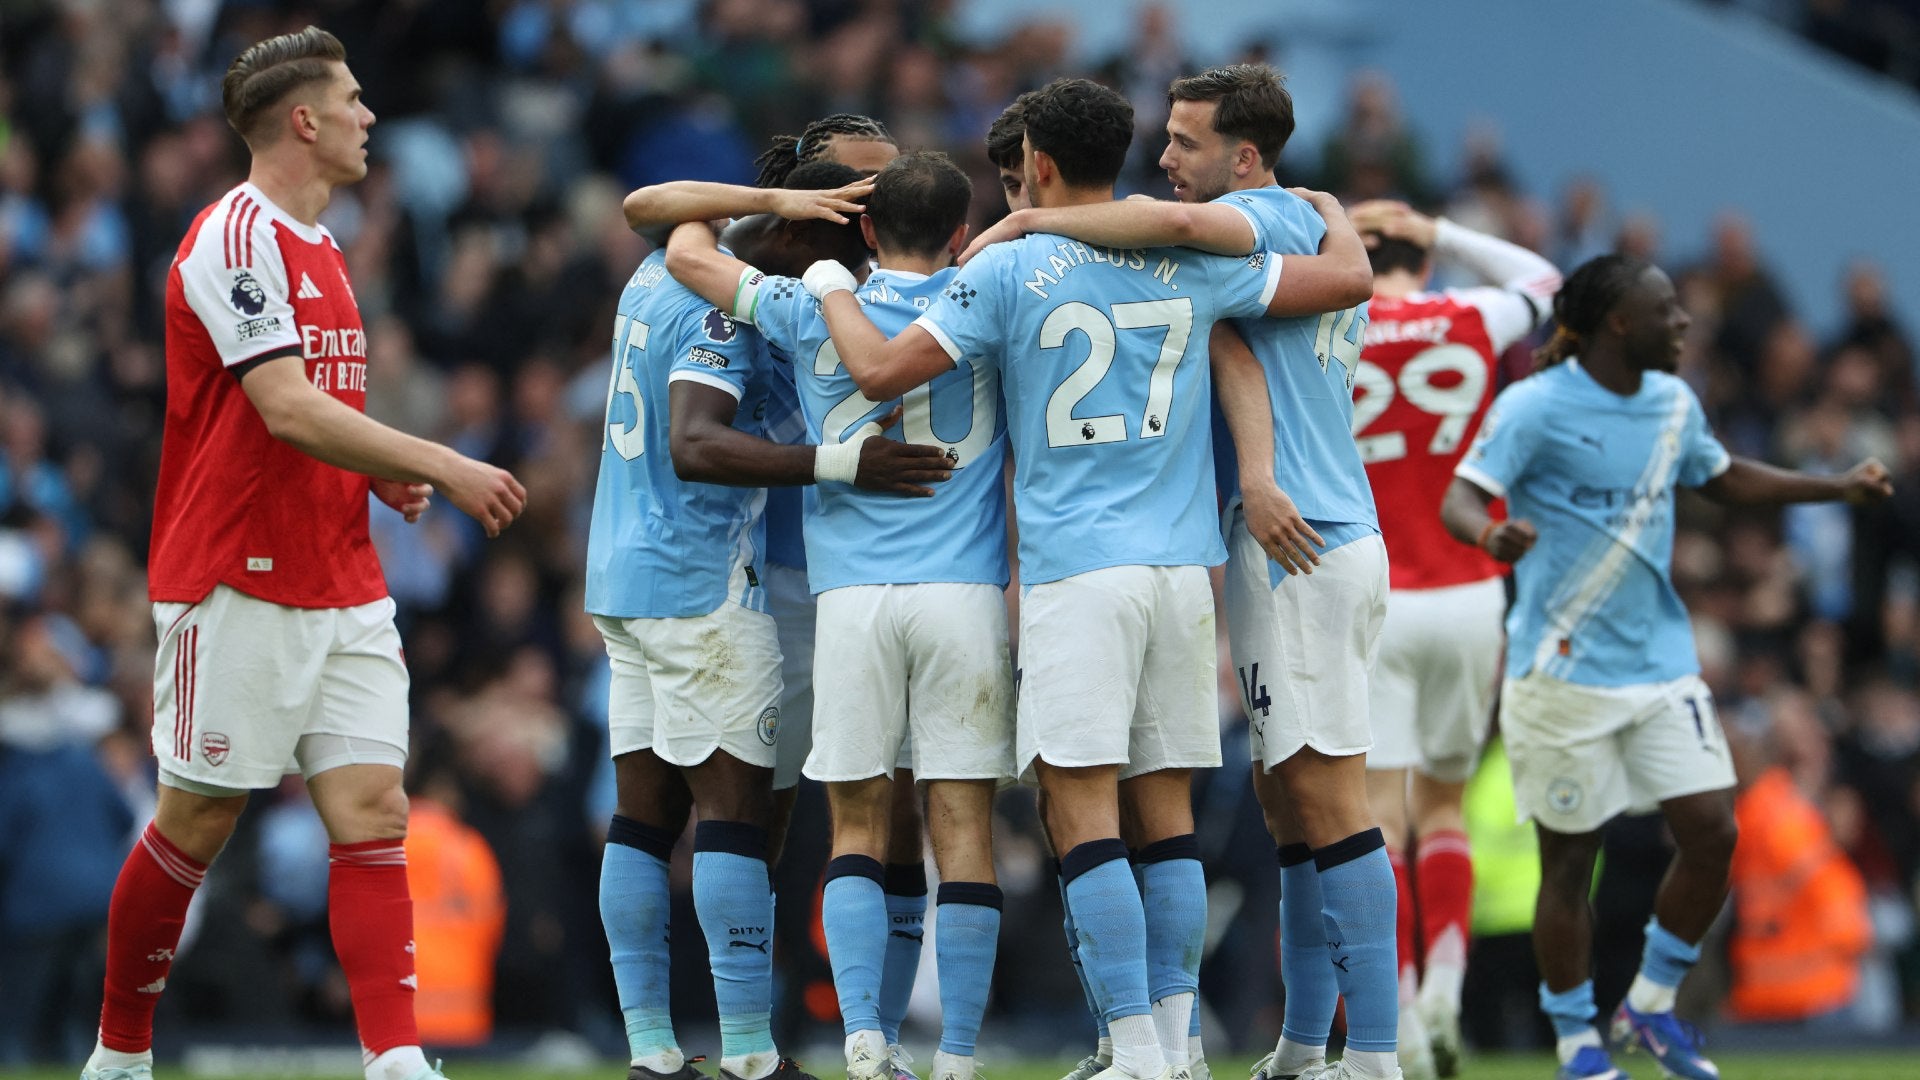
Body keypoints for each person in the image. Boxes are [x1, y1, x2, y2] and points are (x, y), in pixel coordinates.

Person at [801, 76, 1368, 1080]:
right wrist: (1327, 223)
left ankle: (1136, 1048)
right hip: (1181, 575)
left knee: (1078, 810)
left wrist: (829, 281)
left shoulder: (1007, 268)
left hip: (1076, 575)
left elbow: (882, 373)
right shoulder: (1193, 254)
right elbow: (1323, 293)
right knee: (1168, 814)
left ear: (1040, 166)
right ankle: (1181, 1047)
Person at [82, 26, 528, 1080]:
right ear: (304, 119)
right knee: (197, 820)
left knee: (373, 809)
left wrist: (372, 473)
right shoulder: (233, 238)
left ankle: (396, 1060)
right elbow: (283, 406)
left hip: (343, 577)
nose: (370, 116)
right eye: (353, 99)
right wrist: (438, 459)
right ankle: (119, 1056)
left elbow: (314, 408)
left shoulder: (325, 245)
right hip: (238, 576)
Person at [960, 64, 1398, 1080]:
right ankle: (1300, 1045)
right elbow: (1253, 339)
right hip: (1292, 532)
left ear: (1244, 158)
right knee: (1290, 802)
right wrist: (1340, 216)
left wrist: (1031, 225)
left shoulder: (1241, 225)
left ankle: (1373, 1052)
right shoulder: (1302, 219)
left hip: (1297, 534)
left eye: (1185, 142)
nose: (1165, 160)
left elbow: (1187, 232)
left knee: (1330, 798)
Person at [1439, 253, 1893, 1080]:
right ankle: (1577, 1043)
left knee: (1714, 832)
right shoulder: (1534, 406)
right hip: (1561, 674)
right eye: (1668, 309)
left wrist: (1833, 488)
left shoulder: (1673, 402)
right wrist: (1489, 533)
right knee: (1569, 865)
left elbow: (1724, 478)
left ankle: (1647, 1007)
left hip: (1660, 666)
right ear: (1619, 323)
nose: (1684, 321)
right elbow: (1461, 495)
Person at [587, 160, 949, 1080]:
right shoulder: (725, 310)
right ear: (791, 231)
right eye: (835, 257)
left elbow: (653, 205)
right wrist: (842, 463)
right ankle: (751, 1054)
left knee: (643, 820)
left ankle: (651, 1053)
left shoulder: (668, 259)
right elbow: (695, 441)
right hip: (701, 580)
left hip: (622, 571)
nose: (844, 281)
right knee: (735, 815)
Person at [664, 150, 1013, 1080]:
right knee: (961, 831)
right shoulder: (987, 300)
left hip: (851, 599)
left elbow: (685, 250)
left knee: (854, 826)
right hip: (964, 593)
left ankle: (864, 1041)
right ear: (959, 234)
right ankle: (959, 1059)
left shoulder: (807, 303)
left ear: (864, 228)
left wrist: (781, 208)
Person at [1344, 199, 1561, 1078]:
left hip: (1380, 591)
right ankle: (1446, 985)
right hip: (1473, 592)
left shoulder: (1335, 321)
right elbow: (1545, 281)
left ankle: (1397, 1008)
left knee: (1380, 816)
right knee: (1444, 806)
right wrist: (1443, 230)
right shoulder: (1472, 313)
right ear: (1422, 258)